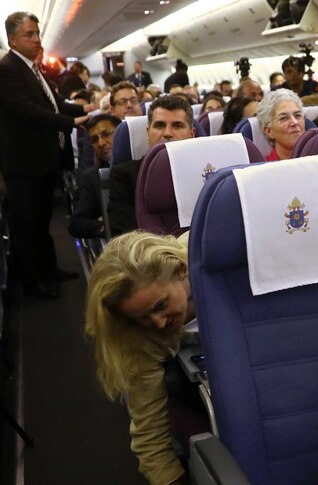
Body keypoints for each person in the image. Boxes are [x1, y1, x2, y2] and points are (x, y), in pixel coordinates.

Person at [85, 231, 199, 485]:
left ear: (180, 271)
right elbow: (151, 443)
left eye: (160, 305)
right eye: (143, 317)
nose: (158, 323)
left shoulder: (218, 249)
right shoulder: (140, 339)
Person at [0, 11, 94, 298]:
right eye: (29, 34)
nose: (36, 39)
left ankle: (48, 270)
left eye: (37, 33)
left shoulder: (31, 68)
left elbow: (53, 103)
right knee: (27, 224)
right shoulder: (7, 69)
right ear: (12, 39)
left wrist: (84, 110)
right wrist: (71, 123)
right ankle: (31, 283)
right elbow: (28, 111)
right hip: (23, 163)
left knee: (41, 221)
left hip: (40, 161)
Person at [108, 95, 196, 237]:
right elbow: (126, 238)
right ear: (148, 134)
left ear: (192, 135)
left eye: (177, 125)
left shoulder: (202, 173)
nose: (167, 133)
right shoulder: (125, 176)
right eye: (159, 125)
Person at [69, 114, 119, 239]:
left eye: (106, 134)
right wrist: (107, 227)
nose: (101, 143)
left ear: (121, 133)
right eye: (95, 140)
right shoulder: (92, 177)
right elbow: (77, 224)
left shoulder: (146, 165)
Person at [258, 89, 305, 161]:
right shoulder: (264, 169)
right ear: (269, 131)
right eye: (284, 118)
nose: (294, 122)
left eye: (297, 115)